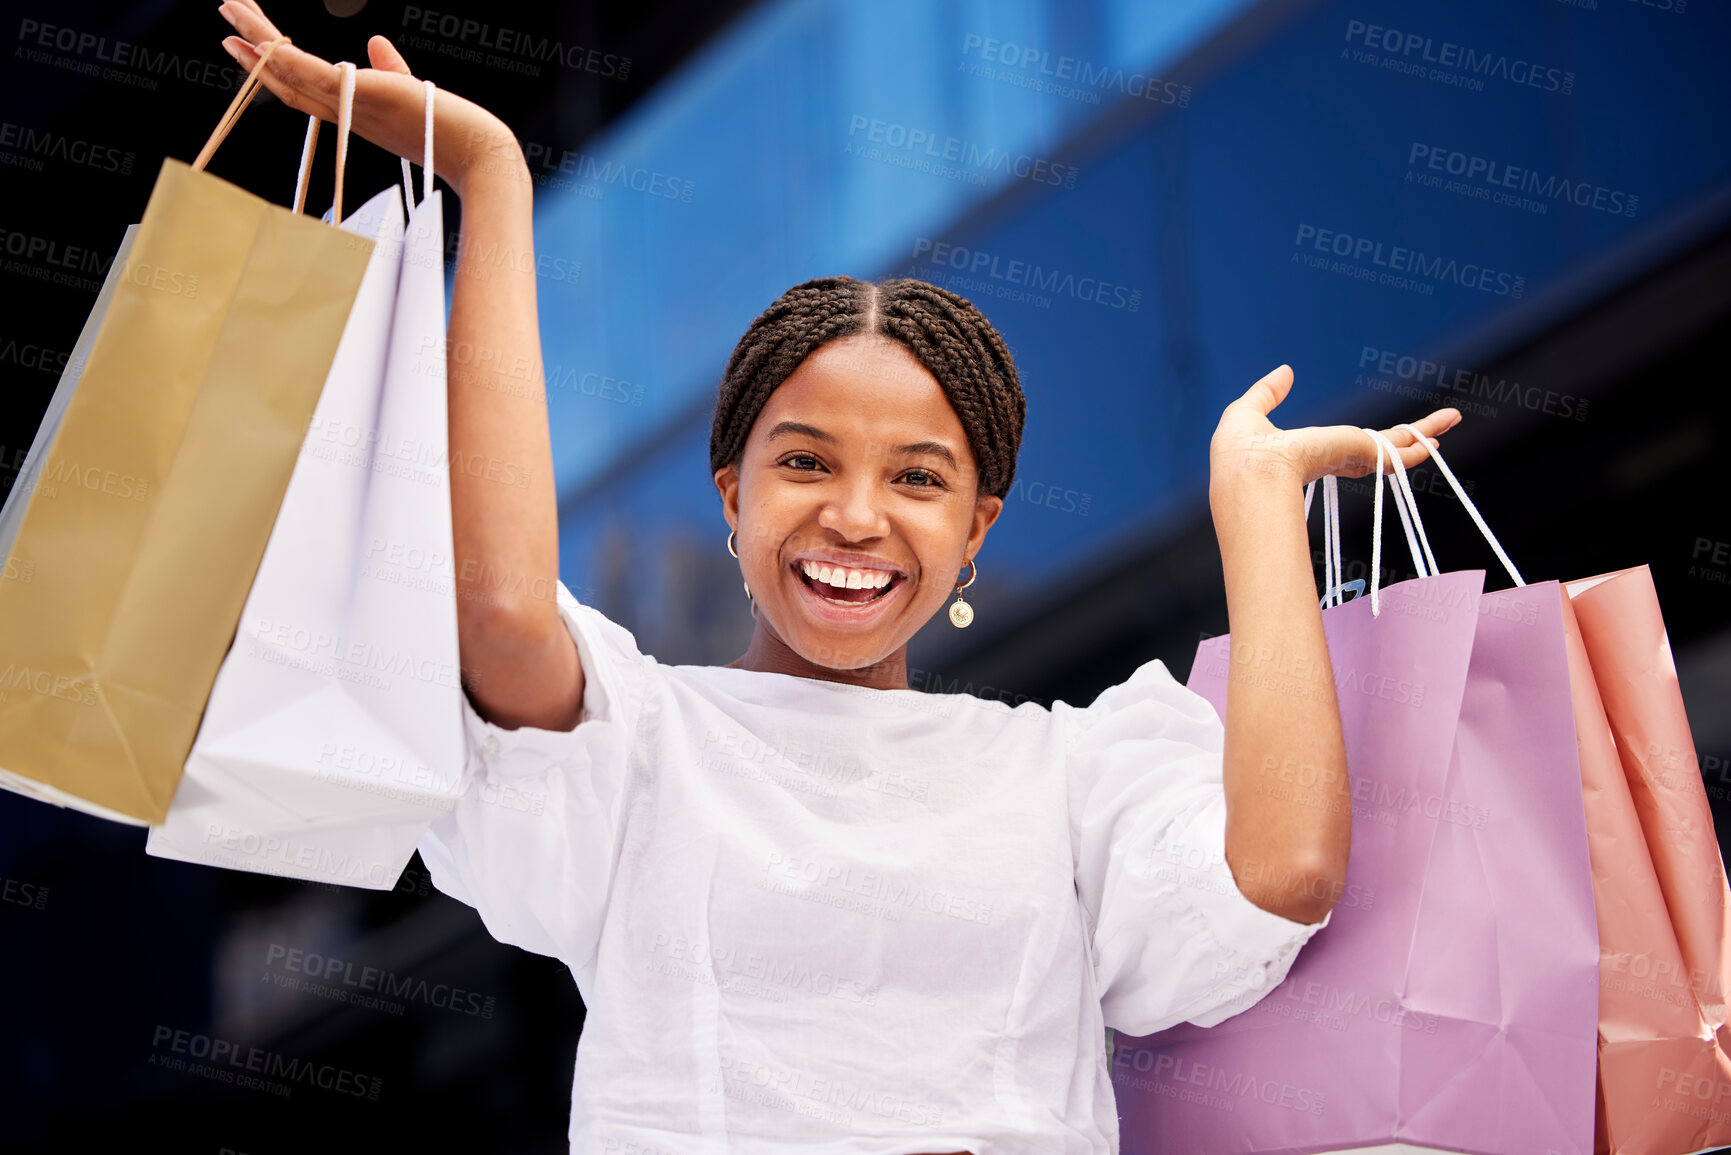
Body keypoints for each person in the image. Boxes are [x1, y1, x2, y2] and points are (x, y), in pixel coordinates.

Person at [215, 4, 1462, 1152]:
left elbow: (1284, 875)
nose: (856, 518)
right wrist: (489, 178)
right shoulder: (645, 743)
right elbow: (494, 605)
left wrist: (1255, 507)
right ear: (732, 497)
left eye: (918, 480)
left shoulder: (1067, 778)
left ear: (978, 532)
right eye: (804, 461)